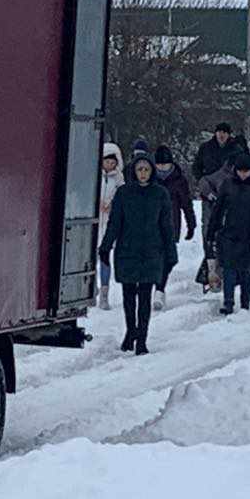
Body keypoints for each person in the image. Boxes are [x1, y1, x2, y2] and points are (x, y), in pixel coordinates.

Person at [98, 148, 177, 355]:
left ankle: (142, 338)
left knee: (144, 297)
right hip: (127, 250)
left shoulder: (160, 194)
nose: (143, 173)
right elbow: (115, 223)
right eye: (140, 169)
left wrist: (171, 251)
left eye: (146, 169)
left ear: (152, 171)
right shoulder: (124, 193)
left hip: (152, 251)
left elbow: (167, 226)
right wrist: (106, 247)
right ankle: (130, 331)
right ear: (134, 171)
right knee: (128, 295)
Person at [206, 150, 250, 315]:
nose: (243, 175)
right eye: (240, 171)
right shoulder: (228, 184)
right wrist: (211, 232)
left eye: (246, 171)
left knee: (247, 270)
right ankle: (228, 302)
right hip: (229, 233)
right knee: (229, 269)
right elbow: (218, 210)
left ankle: (245, 302)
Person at [153, 146, 196, 310]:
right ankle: (153, 285)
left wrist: (191, 224)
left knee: (166, 258)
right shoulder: (149, 178)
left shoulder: (179, 180)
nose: (162, 168)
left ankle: (159, 289)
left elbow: (186, 203)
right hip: (150, 224)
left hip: (171, 224)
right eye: (159, 165)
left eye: (165, 165)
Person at [97, 143, 124, 308]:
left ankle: (105, 292)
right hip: (93, 221)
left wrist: (112, 205)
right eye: (107, 161)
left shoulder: (119, 179)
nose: (110, 165)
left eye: (113, 162)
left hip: (109, 223)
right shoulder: (94, 175)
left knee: (105, 256)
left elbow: (122, 197)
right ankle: (92, 288)